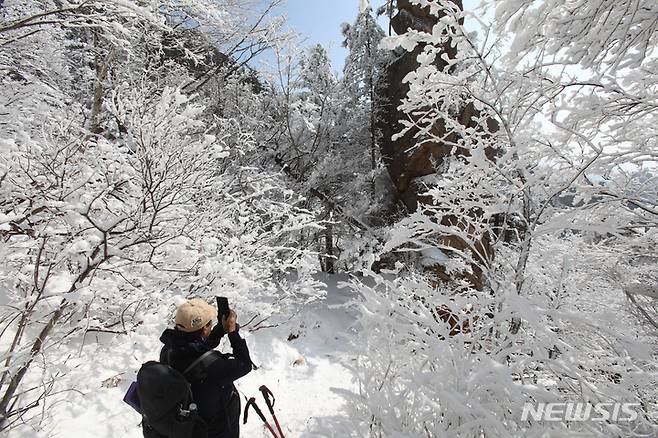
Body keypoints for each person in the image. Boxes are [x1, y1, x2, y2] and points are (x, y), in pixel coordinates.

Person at [159, 298, 252, 438]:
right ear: (204, 330)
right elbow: (244, 364)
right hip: (216, 430)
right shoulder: (213, 368)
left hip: (192, 426)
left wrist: (220, 330)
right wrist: (233, 333)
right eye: (210, 325)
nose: (211, 326)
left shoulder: (169, 351)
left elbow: (194, 348)